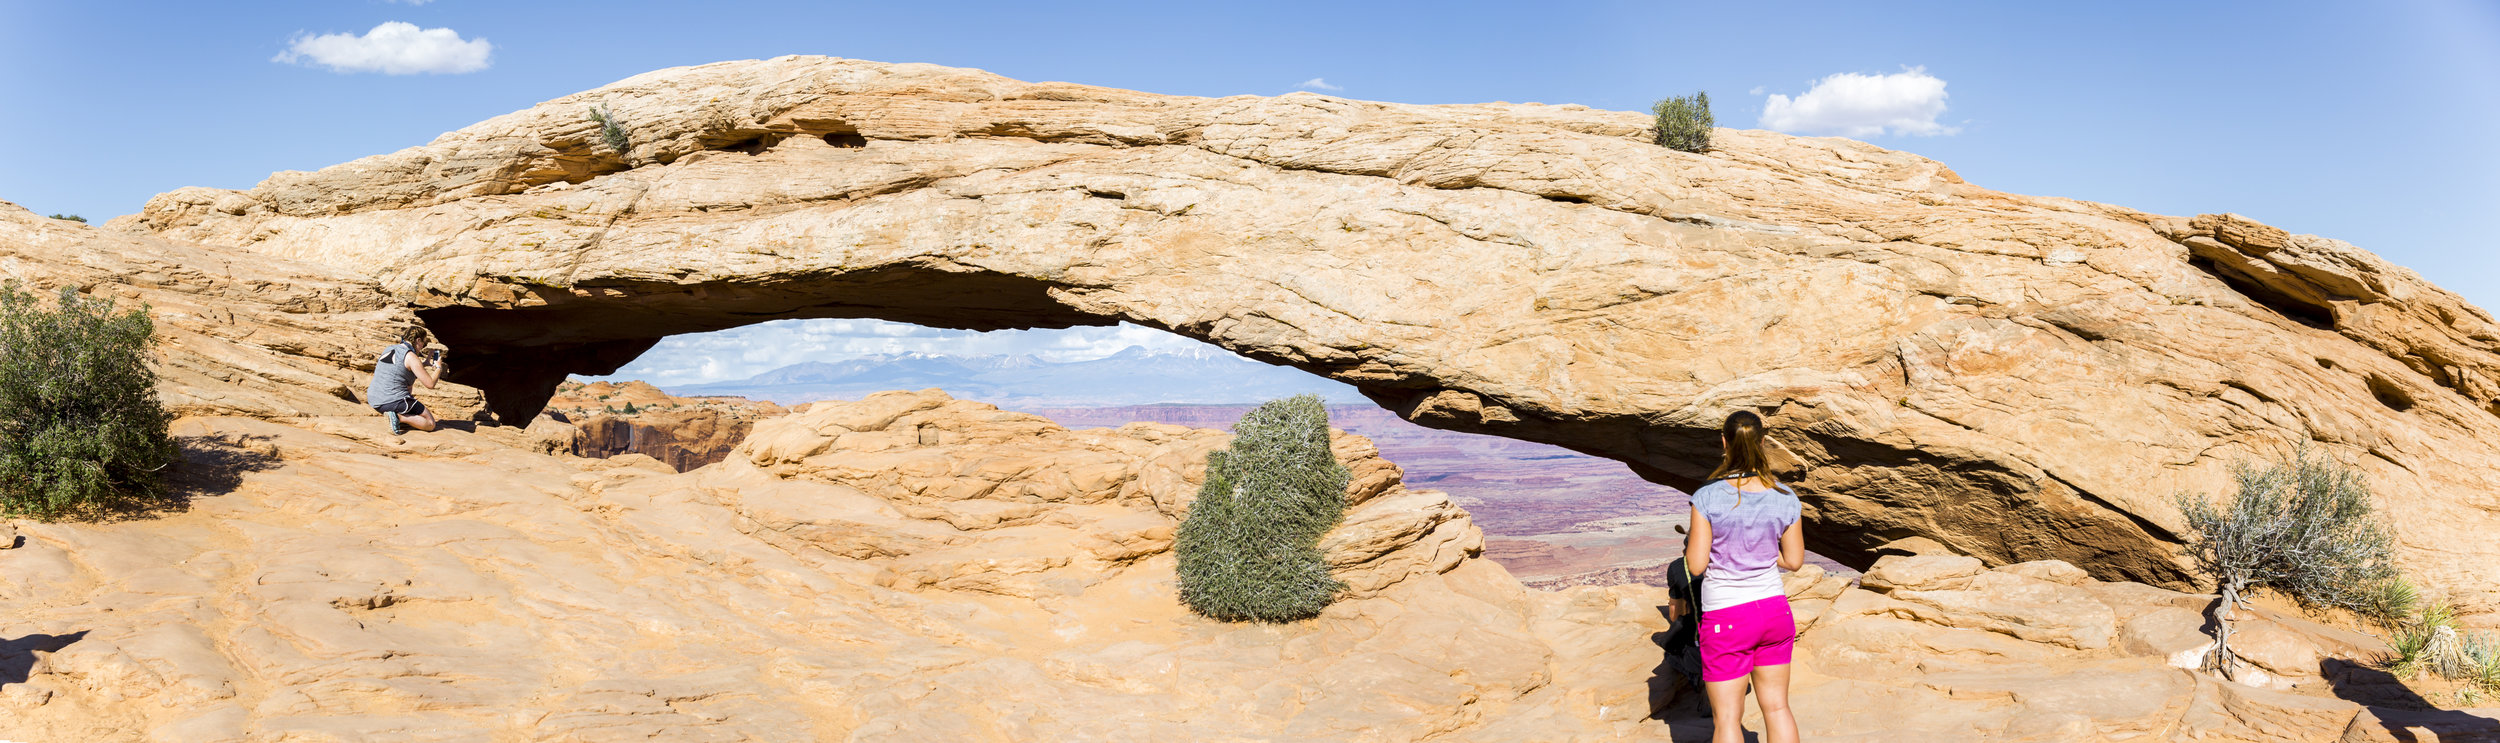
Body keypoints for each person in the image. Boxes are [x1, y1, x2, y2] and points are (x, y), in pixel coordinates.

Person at [1684, 409, 1805, 743]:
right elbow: (1794, 561)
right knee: (1778, 708)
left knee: (1727, 720)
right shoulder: (1786, 497)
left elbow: (1696, 565)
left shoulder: (1707, 497)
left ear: (1724, 443)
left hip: (1727, 614)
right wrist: (1764, 554)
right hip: (1774, 611)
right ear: (1763, 443)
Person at [367, 327, 446, 434]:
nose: (423, 346)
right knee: (430, 423)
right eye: (423, 342)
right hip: (392, 401)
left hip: (374, 400)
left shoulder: (390, 348)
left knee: (407, 389)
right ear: (418, 340)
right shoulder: (411, 356)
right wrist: (438, 367)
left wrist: (424, 363)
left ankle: (397, 415)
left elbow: (399, 368)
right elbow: (430, 384)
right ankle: (398, 417)